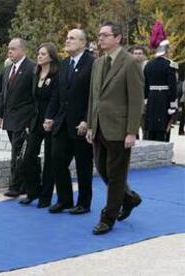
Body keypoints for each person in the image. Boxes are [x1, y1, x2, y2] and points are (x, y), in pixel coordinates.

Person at [86, 21, 144, 235]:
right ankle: (129, 198)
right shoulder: (98, 63)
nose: (100, 38)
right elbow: (94, 97)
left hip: (119, 128)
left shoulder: (130, 63)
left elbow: (136, 100)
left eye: (105, 35)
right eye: (99, 35)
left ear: (118, 38)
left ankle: (108, 217)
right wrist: (91, 124)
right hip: (100, 127)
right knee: (102, 169)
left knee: (117, 174)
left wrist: (131, 131)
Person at [46, 29, 94, 215]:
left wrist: (87, 120)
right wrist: (50, 117)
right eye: (66, 38)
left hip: (80, 124)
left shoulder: (92, 63)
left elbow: (93, 95)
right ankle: (64, 200)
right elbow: (57, 94)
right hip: (62, 123)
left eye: (72, 38)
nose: (67, 41)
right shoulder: (65, 64)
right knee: (57, 161)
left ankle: (83, 203)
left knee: (83, 166)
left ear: (83, 42)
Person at [18, 42, 59, 208]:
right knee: (28, 157)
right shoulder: (35, 73)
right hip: (35, 121)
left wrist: (50, 118)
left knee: (50, 160)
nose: (39, 56)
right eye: (39, 53)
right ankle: (33, 190)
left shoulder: (56, 75)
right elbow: (32, 99)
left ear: (51, 56)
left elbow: (56, 98)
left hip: (50, 121)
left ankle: (46, 196)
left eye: (43, 54)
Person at [0, 38, 36, 198]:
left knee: (18, 152)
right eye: (9, 49)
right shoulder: (8, 70)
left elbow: (34, 96)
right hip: (10, 118)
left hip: (24, 118)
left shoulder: (31, 68)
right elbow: (3, 94)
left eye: (13, 49)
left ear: (22, 50)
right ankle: (23, 184)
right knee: (16, 150)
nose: (10, 52)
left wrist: (31, 119)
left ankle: (16, 185)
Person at [144, 22, 178, 142]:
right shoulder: (170, 65)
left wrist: (146, 101)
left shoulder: (148, 64)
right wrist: (173, 106)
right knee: (163, 129)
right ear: (166, 49)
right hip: (164, 100)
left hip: (152, 99)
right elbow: (172, 88)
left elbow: (145, 86)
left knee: (150, 129)